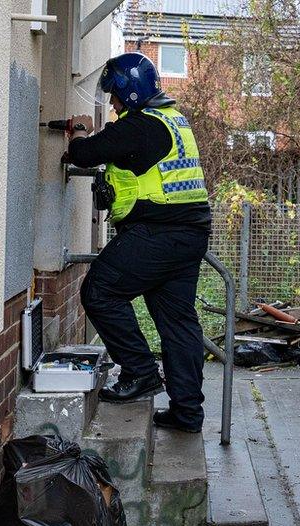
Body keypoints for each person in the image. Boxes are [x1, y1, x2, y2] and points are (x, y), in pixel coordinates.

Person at [65, 52, 212, 433]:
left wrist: (79, 130)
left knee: (99, 291)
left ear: (130, 94)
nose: (112, 104)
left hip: (157, 234)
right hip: (189, 233)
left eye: (115, 96)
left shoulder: (137, 126)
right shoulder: (173, 120)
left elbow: (83, 153)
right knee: (178, 323)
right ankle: (187, 413)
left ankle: (141, 372)